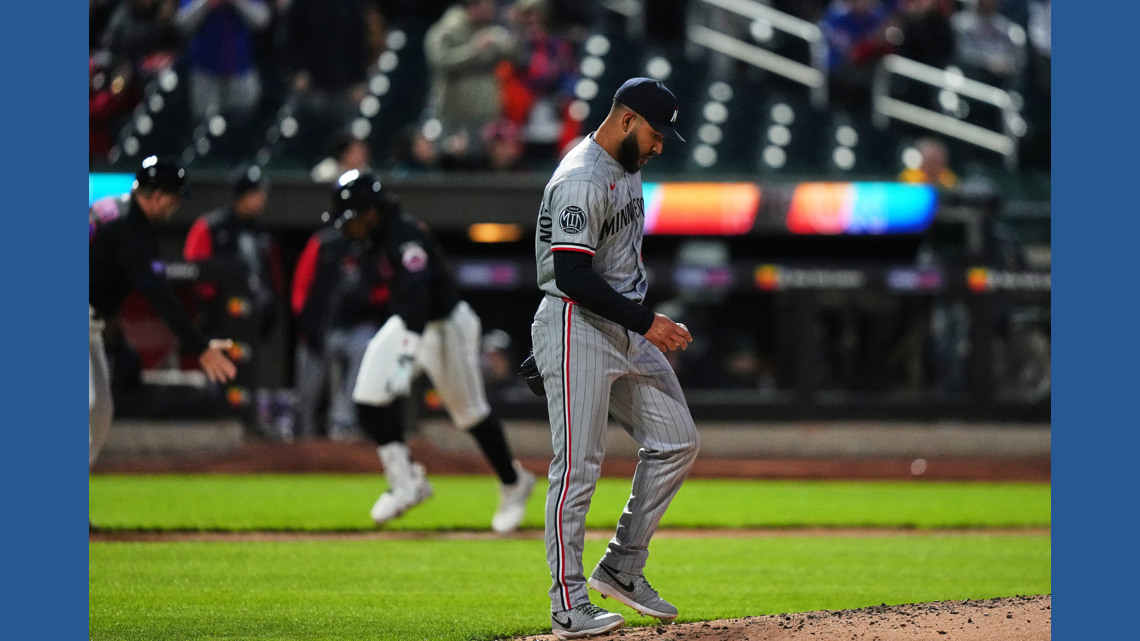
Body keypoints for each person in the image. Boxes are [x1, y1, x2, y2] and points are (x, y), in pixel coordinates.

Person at [527, 77, 700, 638]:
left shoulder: (628, 165)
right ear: (626, 119)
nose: (658, 145)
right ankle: (567, 604)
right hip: (579, 323)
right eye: (654, 133)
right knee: (577, 469)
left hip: (621, 323)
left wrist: (639, 322)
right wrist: (648, 323)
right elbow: (573, 275)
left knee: (677, 440)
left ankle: (623, 567)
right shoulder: (582, 177)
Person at [324, 170, 537, 533]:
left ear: (369, 212)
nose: (347, 229)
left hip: (443, 325)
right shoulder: (378, 234)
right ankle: (406, 481)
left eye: (351, 219)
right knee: (367, 396)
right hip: (410, 322)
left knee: (469, 414)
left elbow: (420, 296)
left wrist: (406, 354)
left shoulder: (403, 234)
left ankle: (514, 481)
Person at [89, 156, 238, 504]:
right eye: (173, 196)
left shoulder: (113, 209)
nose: (175, 204)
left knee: (99, 410)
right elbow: (158, 293)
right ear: (156, 194)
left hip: (90, 324)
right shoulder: (131, 228)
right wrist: (198, 345)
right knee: (91, 406)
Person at [182, 164, 285, 435]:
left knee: (250, 375)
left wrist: (271, 309)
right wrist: (207, 308)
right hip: (218, 318)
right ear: (240, 195)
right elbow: (195, 267)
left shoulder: (262, 234)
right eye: (254, 193)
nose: (260, 199)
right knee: (219, 376)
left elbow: (270, 276)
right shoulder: (212, 226)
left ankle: (249, 425)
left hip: (254, 319)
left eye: (261, 193)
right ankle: (213, 430)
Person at [290, 202, 388, 442]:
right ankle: (301, 436)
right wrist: (306, 322)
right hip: (319, 328)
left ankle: (342, 426)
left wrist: (368, 299)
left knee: (367, 348)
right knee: (307, 392)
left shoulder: (372, 247)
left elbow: (386, 288)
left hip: (355, 327)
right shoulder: (324, 243)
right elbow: (300, 287)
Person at [423, 0, 519, 156]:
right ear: (473, 5)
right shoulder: (446, 29)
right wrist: (474, 49)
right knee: (454, 162)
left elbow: (516, 56)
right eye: (487, 4)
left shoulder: (491, 30)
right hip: (455, 117)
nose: (492, 7)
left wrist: (514, 27)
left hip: (486, 115)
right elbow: (438, 61)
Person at [175, 0, 272, 127]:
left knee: (243, 127)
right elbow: (182, 25)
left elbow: (262, 20)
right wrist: (206, 4)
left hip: (241, 71)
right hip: (205, 74)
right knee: (205, 126)